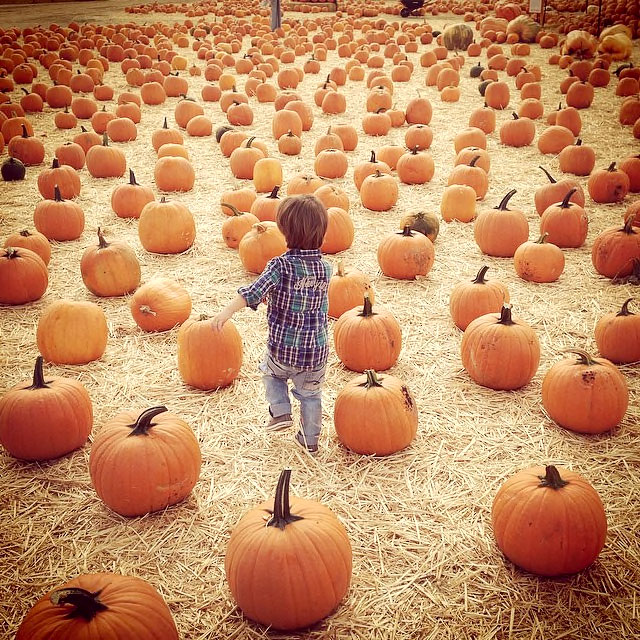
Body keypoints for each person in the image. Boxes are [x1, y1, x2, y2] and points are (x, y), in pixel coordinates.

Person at [213, 194, 331, 454]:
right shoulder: (326, 269)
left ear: (285, 232)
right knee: (311, 395)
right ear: (322, 232)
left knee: (271, 372)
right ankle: (310, 440)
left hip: (283, 348)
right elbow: (310, 301)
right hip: (317, 352)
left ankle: (280, 412)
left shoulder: (279, 266)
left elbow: (253, 293)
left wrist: (226, 312)